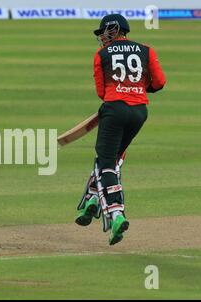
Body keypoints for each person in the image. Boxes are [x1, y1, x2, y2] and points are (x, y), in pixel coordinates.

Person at [75, 14, 166, 245]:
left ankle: (116, 214)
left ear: (114, 30)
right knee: (113, 158)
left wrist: (121, 92)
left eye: (104, 33)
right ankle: (93, 200)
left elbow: (101, 93)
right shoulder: (147, 50)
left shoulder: (101, 54)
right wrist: (135, 88)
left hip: (114, 109)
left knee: (106, 163)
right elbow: (159, 83)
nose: (102, 38)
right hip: (139, 112)